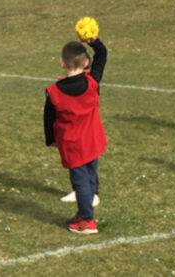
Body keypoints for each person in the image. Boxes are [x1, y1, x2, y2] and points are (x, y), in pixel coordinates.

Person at [44, 36, 107, 234]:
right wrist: (93, 40)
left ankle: (87, 220)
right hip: (93, 140)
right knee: (89, 177)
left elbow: (48, 118)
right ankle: (83, 212)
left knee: (80, 182)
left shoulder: (54, 92)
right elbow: (102, 54)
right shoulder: (92, 82)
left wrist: (51, 139)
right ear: (86, 63)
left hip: (73, 145)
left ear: (63, 63)